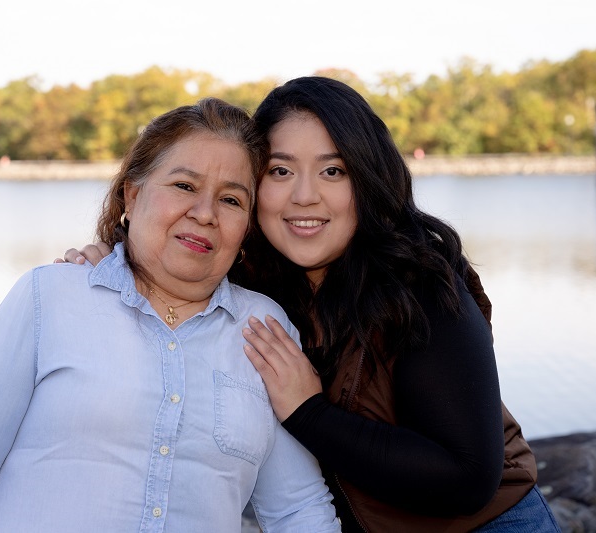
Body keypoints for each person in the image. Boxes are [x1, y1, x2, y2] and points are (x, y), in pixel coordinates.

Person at [64, 78, 561, 532]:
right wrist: (117, 264)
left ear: (367, 180)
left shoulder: (420, 284)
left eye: (333, 170)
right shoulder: (254, 287)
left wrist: (308, 412)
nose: (304, 196)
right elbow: (174, 260)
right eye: (280, 170)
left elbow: (468, 478)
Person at [0, 98, 341, 533]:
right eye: (184, 187)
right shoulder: (51, 298)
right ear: (132, 196)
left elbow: (296, 508)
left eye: (230, 200)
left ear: (247, 226)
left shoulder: (263, 327)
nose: (205, 214)